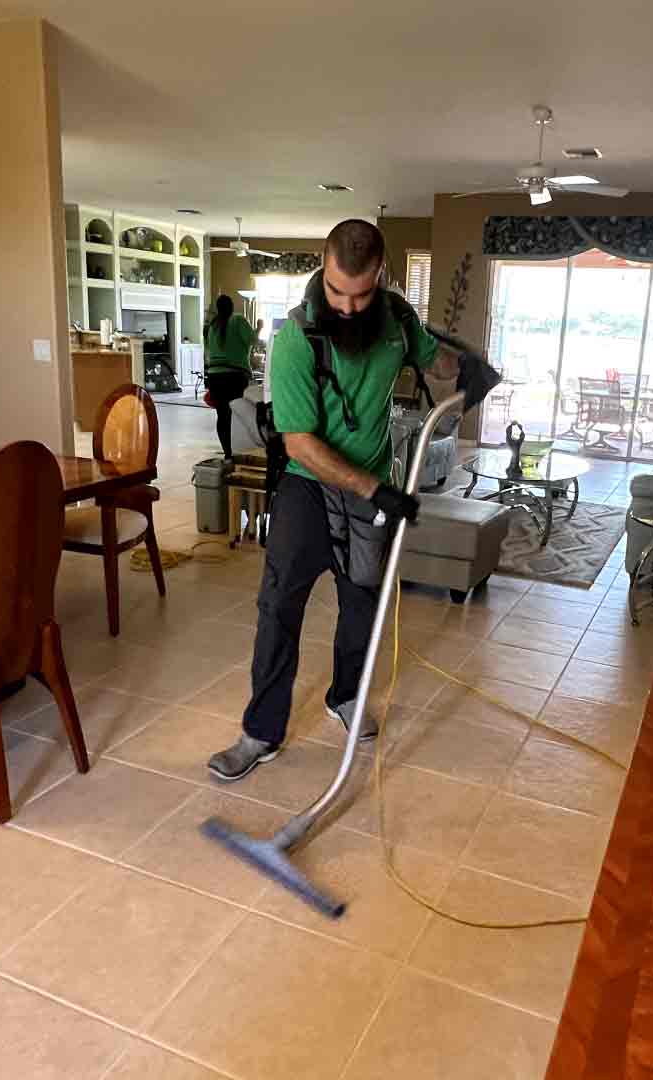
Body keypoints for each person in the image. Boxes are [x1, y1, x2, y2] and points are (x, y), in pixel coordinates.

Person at [208, 219, 458, 781]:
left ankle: (346, 696)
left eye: (361, 294)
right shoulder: (296, 337)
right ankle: (261, 731)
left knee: (363, 602)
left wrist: (463, 367)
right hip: (308, 482)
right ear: (322, 266)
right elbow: (300, 441)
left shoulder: (396, 321)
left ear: (382, 278)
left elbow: (434, 359)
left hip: (369, 487)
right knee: (278, 607)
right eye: (337, 292)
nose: (346, 307)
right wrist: (378, 491)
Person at [202, 294, 258, 456]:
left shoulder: (212, 326)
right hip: (235, 376)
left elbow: (208, 351)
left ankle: (228, 454)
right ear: (231, 307)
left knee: (222, 415)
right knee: (237, 414)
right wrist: (259, 327)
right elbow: (253, 340)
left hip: (215, 377)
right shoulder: (238, 320)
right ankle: (239, 451)